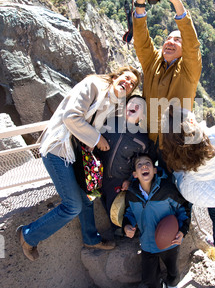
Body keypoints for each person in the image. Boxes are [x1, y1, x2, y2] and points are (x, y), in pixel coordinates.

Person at [17, 66, 141, 261]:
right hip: (59, 148)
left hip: (76, 153)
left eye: (132, 84)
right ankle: (28, 235)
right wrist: (96, 138)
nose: (127, 83)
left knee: (86, 196)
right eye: (126, 78)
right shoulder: (93, 85)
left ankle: (91, 238)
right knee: (72, 206)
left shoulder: (113, 103)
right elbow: (71, 116)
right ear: (116, 76)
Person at [133, 0, 202, 149]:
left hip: (174, 146)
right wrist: (141, 0)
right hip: (147, 140)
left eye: (177, 40)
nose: (170, 42)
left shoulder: (189, 69)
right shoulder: (153, 62)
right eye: (168, 39)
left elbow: (192, 44)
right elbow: (141, 40)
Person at [161, 106, 215, 254]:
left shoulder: (176, 150)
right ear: (191, 120)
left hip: (192, 192)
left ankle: (180, 233)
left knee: (186, 205)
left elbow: (178, 172)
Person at [123, 153, 191, 288]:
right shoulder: (132, 194)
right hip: (147, 243)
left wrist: (182, 230)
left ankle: (173, 287)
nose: (144, 166)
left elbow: (183, 208)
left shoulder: (166, 189)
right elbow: (129, 213)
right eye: (139, 165)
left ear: (154, 170)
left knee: (172, 269)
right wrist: (127, 225)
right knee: (149, 276)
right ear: (135, 174)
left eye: (147, 163)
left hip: (170, 241)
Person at [98, 95, 156, 232]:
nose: (134, 106)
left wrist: (130, 179)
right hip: (98, 173)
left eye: (139, 106)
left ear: (142, 116)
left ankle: (121, 232)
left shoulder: (142, 139)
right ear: (125, 108)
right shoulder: (110, 122)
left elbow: (139, 163)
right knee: (96, 201)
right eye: (132, 103)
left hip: (118, 179)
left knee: (113, 208)